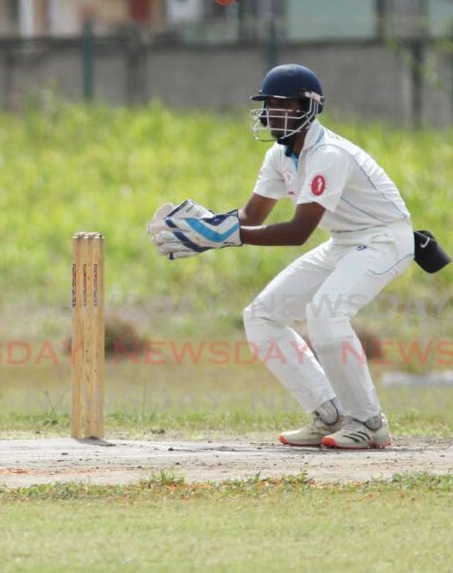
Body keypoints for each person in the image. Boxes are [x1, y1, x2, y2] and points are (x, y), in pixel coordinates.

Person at [148, 63, 415, 449]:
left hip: (385, 239)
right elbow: (251, 218)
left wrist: (225, 236)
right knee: (261, 316)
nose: (272, 113)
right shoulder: (280, 156)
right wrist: (209, 227)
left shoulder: (329, 155)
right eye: (268, 105)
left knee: (326, 311)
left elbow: (298, 232)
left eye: (283, 105)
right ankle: (330, 414)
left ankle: (369, 422)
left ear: (308, 108)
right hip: (345, 240)